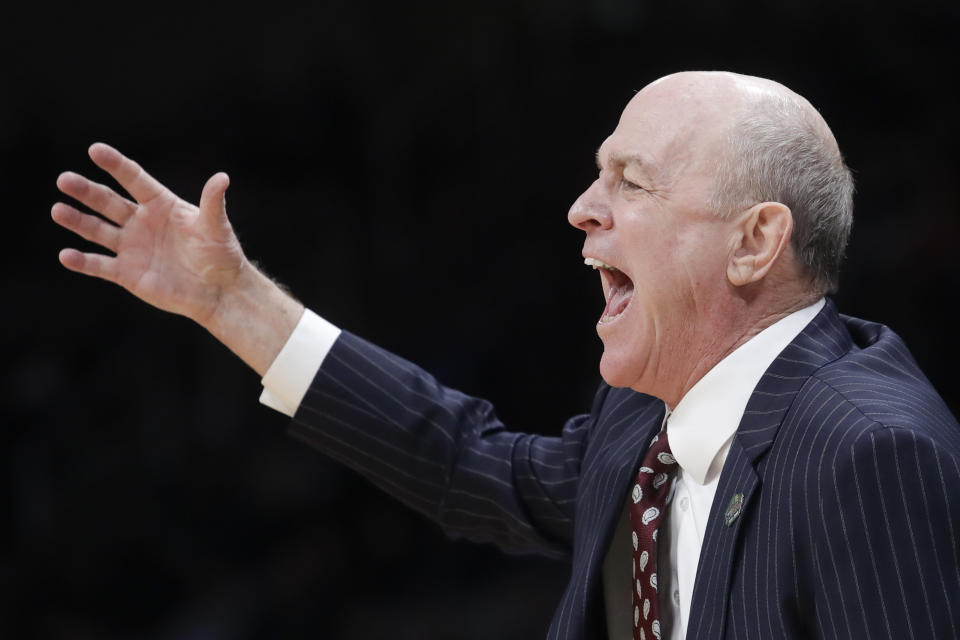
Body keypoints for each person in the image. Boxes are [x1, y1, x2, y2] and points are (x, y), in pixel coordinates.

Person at [52, 71, 960, 639]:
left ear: (756, 241)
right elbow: (467, 465)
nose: (582, 207)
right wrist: (230, 299)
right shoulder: (648, 416)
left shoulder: (868, 449)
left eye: (629, 181)